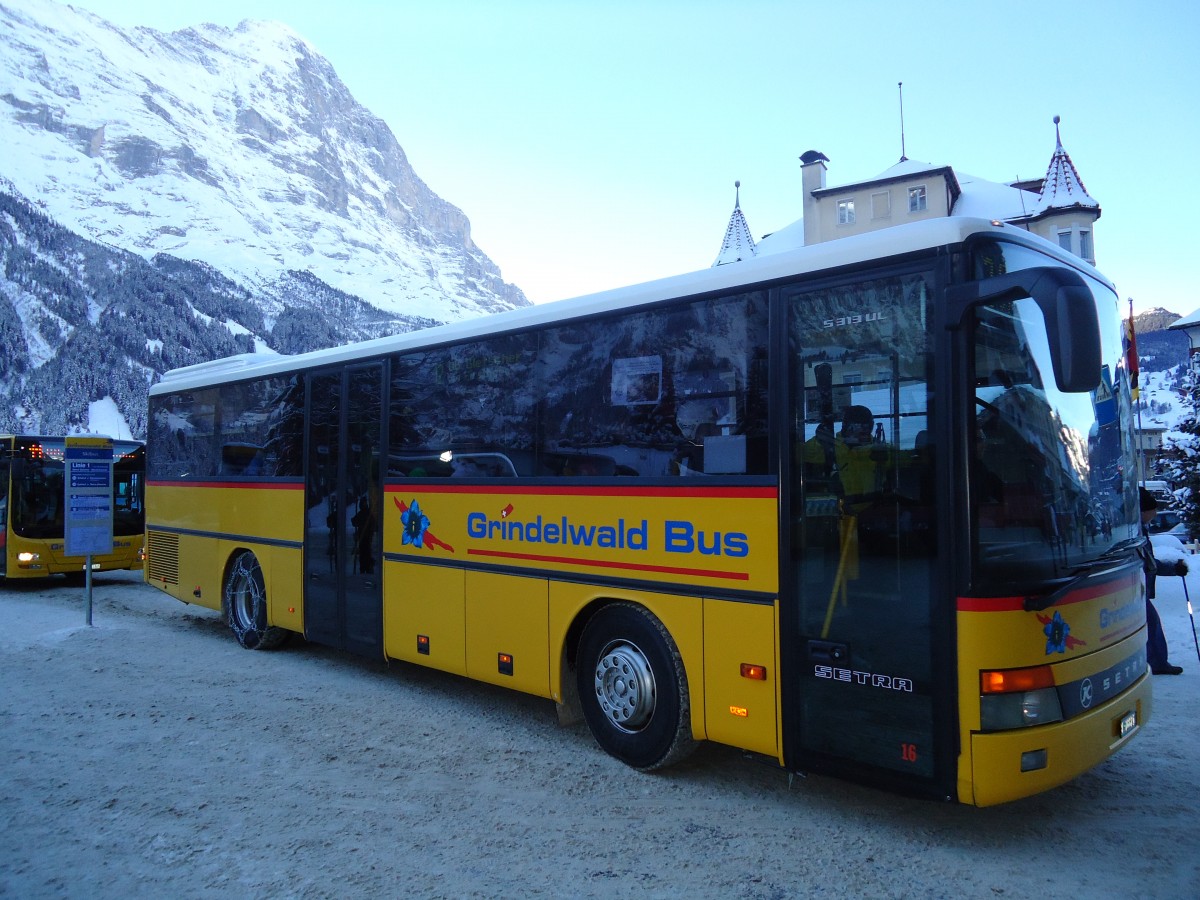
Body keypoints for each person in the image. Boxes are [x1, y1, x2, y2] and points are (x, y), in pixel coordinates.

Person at [1139, 487, 1184, 675]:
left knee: (1150, 623)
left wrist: (1173, 568)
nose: (1155, 514)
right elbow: (1144, 564)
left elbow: (1149, 563)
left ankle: (1154, 661)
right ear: (1143, 511)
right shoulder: (1134, 533)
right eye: (1153, 510)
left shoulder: (1139, 531)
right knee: (1151, 623)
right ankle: (1156, 663)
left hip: (1137, 589)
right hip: (1135, 589)